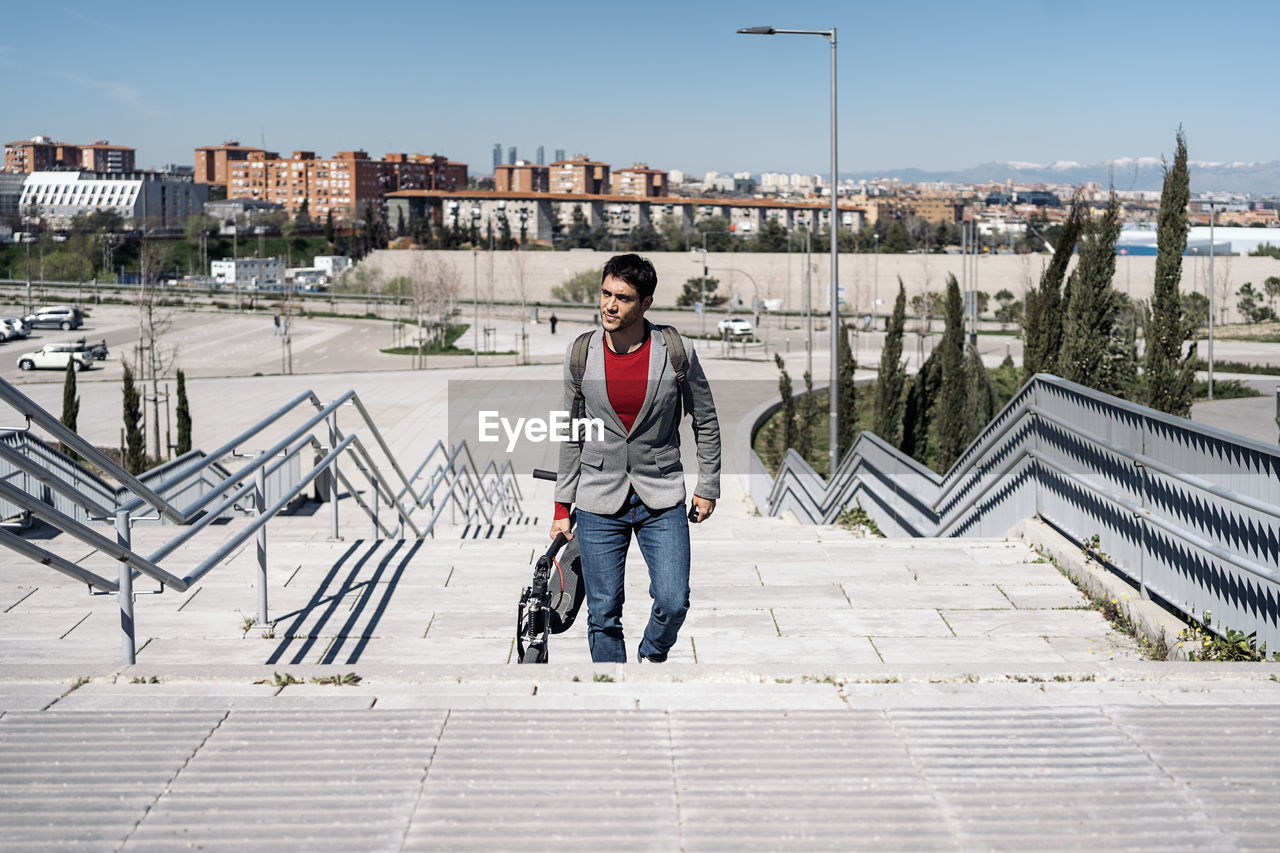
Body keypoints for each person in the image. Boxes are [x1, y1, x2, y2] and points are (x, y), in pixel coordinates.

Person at [551, 254, 720, 663]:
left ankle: (650, 655)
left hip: (660, 495)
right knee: (603, 612)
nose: (610, 305)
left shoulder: (676, 351)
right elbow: (572, 432)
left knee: (674, 599)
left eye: (623, 298)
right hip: (597, 499)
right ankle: (612, 693)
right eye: (606, 294)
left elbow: (707, 419)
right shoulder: (581, 353)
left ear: (645, 303)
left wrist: (708, 485)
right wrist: (561, 506)